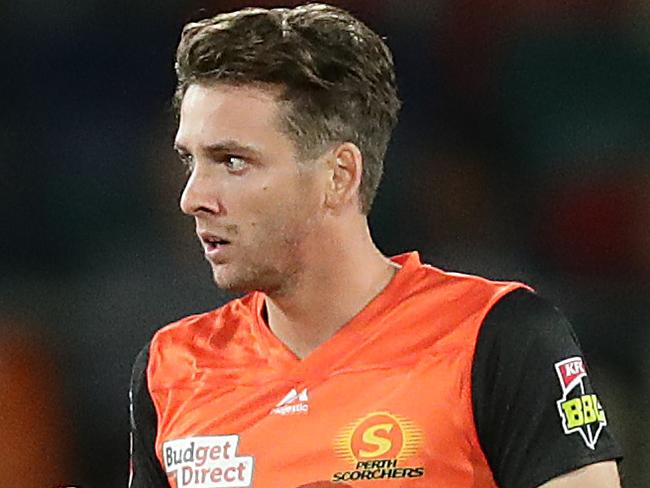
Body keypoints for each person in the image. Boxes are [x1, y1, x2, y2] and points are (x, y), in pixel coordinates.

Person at [129, 4, 622, 487]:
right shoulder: (170, 366)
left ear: (339, 176)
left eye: (232, 161)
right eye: (190, 160)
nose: (192, 197)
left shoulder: (496, 336)